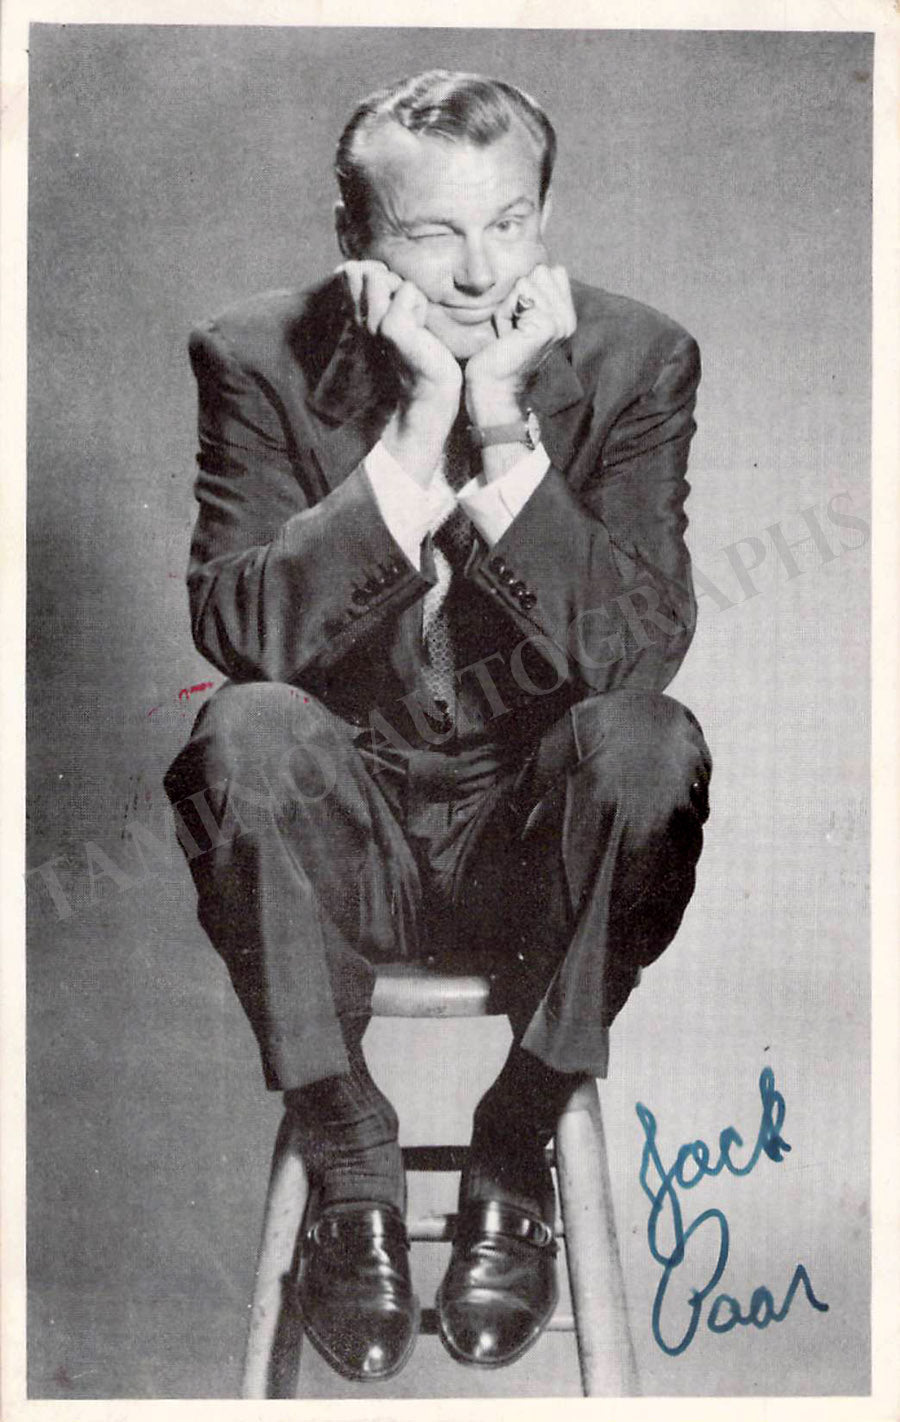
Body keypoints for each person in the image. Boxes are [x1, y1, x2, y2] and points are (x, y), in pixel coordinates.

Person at [164, 69, 712, 1383]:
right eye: (433, 233)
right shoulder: (253, 353)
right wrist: (414, 432)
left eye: (509, 223)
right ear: (353, 234)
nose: (479, 273)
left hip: (532, 866)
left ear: (544, 215)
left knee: (649, 739)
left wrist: (503, 432)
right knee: (244, 727)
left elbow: (637, 650)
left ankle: (516, 1137)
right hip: (339, 855)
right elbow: (241, 628)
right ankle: (347, 1143)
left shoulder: (638, 358)